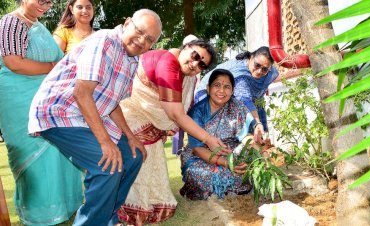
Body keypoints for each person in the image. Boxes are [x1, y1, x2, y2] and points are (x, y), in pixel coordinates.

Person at [28, 9, 162, 226]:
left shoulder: (132, 60)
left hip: (85, 115)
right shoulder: (104, 41)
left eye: (149, 39)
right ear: (127, 22)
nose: (141, 41)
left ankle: (108, 218)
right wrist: (105, 142)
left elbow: (111, 102)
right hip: (61, 112)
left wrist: (130, 137)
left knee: (132, 155)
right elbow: (81, 93)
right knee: (107, 165)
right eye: (139, 31)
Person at [118, 39, 226, 225]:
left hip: (151, 123)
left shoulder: (187, 76)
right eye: (195, 56)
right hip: (132, 114)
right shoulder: (168, 63)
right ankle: (123, 206)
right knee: (137, 158)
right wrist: (208, 139)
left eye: (202, 64)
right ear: (186, 48)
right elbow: (176, 113)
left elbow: (180, 111)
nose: (195, 64)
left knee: (151, 161)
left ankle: (146, 202)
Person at [0, 0, 84, 225]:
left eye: (49, 2)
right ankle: (40, 214)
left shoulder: (37, 25)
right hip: (19, 101)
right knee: (34, 156)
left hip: (47, 103)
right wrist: (53, 67)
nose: (45, 5)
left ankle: (65, 207)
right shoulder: (11, 22)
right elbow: (13, 62)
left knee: (57, 153)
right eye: (41, 0)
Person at [180, 69, 263, 200]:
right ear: (208, 88)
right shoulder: (197, 112)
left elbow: (246, 137)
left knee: (253, 161)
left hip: (231, 151)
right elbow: (197, 148)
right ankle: (232, 186)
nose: (221, 91)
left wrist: (260, 153)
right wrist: (226, 164)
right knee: (197, 173)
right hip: (201, 155)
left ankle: (233, 184)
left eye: (227, 87)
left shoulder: (236, 106)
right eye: (217, 85)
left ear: (232, 91)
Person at [195, 46, 280, 143]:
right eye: (257, 65)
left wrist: (299, 71)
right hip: (208, 96)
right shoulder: (241, 76)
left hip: (230, 99)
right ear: (251, 57)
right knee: (230, 135)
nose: (259, 71)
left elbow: (276, 78)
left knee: (254, 133)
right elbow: (245, 101)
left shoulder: (268, 72)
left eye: (264, 69)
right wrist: (257, 123)